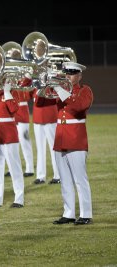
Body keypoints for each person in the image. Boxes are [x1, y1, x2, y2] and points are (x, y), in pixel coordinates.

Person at [51, 62, 93, 225]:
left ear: (79, 76)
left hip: (76, 138)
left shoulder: (85, 90)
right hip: (60, 138)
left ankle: (86, 213)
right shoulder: (61, 90)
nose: (68, 75)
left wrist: (60, 90)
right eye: (66, 72)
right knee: (65, 179)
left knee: (80, 179)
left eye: (72, 73)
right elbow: (41, 100)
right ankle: (68, 213)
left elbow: (78, 106)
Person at [0, 80, 25, 208]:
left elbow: (14, 109)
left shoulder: (13, 92)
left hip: (9, 135)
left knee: (15, 167)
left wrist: (7, 92)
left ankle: (19, 198)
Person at [33, 86, 60, 184]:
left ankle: (58, 175)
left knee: (54, 148)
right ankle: (40, 176)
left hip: (50, 118)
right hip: (38, 119)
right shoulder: (36, 84)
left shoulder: (52, 85)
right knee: (40, 149)